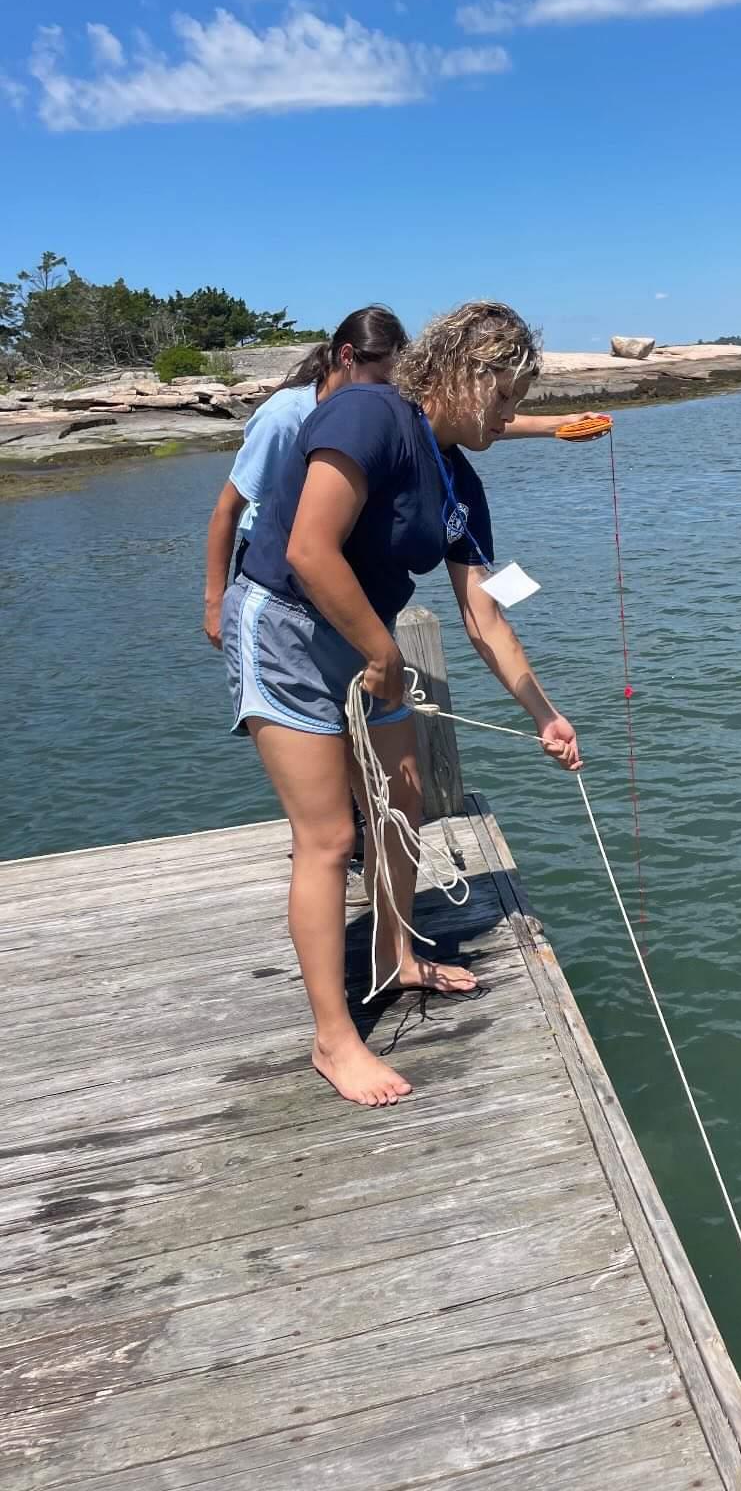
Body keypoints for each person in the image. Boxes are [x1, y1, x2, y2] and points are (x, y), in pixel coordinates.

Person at [220, 301, 581, 1108]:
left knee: (405, 799)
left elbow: (482, 616)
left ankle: (397, 953)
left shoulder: (462, 484)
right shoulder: (370, 412)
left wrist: (543, 714)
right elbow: (310, 550)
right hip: (282, 622)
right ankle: (333, 1039)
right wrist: (383, 654)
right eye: (509, 396)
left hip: (366, 635)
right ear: (468, 374)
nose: (515, 416)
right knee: (329, 835)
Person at [203, 306, 605, 649]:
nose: (395, 394)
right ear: (347, 358)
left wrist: (556, 425)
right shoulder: (292, 417)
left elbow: (465, 421)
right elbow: (228, 509)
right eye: (384, 382)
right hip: (275, 570)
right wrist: (216, 604)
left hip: (344, 564)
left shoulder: (390, 420)